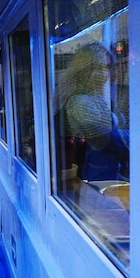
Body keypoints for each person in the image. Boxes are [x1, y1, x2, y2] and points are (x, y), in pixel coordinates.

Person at [55, 42, 129, 181]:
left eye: (106, 68)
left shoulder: (99, 97)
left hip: (112, 171)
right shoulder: (78, 101)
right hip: (96, 176)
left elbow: (121, 123)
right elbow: (105, 140)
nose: (102, 74)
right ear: (83, 70)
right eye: (96, 67)